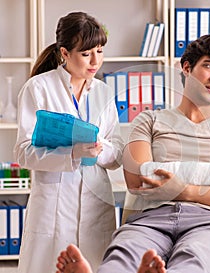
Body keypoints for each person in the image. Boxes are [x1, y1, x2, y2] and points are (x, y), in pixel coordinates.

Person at [56, 34, 210, 273]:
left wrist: (185, 191)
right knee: (123, 256)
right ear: (187, 67)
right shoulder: (149, 119)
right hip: (150, 220)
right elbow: (137, 178)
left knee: (194, 262)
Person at [14, 11, 123, 273]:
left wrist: (99, 148)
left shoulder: (104, 92)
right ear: (65, 52)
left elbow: (118, 153)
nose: (95, 61)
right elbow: (24, 152)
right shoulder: (38, 88)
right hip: (52, 208)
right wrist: (71, 154)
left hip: (96, 206)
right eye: (86, 54)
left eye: (99, 50)